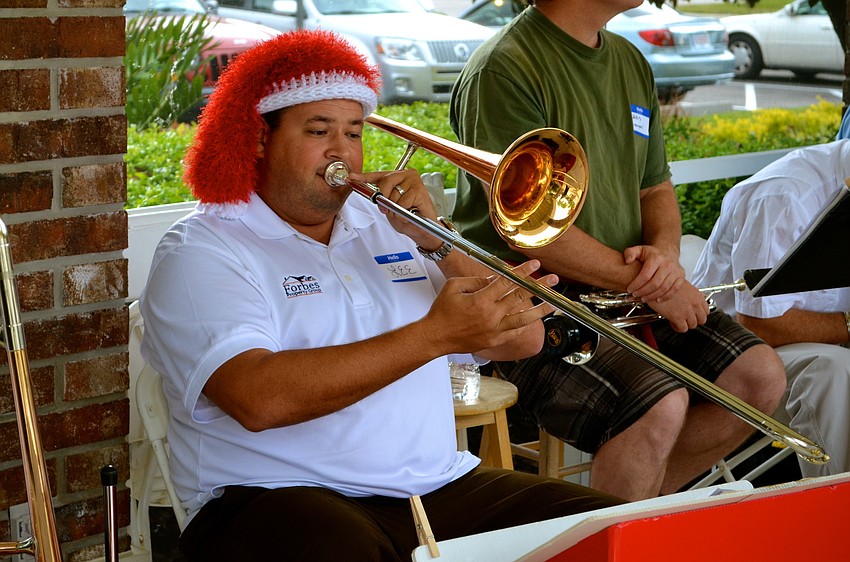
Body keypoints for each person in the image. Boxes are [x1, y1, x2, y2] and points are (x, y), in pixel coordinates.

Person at [139, 29, 624, 562]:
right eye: (318, 130)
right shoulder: (202, 249)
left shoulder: (388, 224)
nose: (340, 151)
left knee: (606, 535)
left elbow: (524, 338)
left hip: (433, 489)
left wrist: (436, 239)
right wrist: (433, 336)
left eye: (353, 132)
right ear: (258, 138)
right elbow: (258, 399)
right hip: (271, 494)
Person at [449, 0, 787, 501]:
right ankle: (615, 533)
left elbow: (655, 188)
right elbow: (527, 230)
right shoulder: (505, 66)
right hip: (533, 298)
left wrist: (665, 261)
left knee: (759, 380)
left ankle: (624, 518)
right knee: (658, 404)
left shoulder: (629, 58)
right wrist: (649, 282)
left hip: (630, 287)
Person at [692, 139, 850, 478]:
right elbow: (760, 326)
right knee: (834, 372)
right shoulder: (784, 197)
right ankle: (837, 517)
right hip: (730, 352)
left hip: (815, 342)